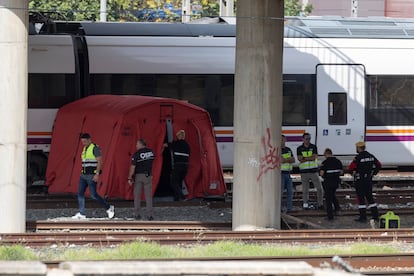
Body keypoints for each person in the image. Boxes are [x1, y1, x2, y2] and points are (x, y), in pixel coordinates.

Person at [72, 133, 115, 219]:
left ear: (89, 140)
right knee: (80, 193)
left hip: (92, 175)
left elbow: (100, 161)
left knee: (93, 195)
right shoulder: (85, 149)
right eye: (82, 142)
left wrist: (97, 174)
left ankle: (109, 208)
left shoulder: (95, 148)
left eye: (84, 141)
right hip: (83, 175)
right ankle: (82, 213)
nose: (83, 143)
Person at [348, 141, 382, 223]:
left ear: (359, 148)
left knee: (361, 199)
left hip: (360, 181)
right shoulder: (371, 156)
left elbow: (351, 168)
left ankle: (363, 217)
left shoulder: (358, 157)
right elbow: (379, 165)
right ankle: (375, 216)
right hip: (368, 180)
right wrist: (373, 173)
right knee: (370, 198)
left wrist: (353, 172)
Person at [128, 139, 155, 220]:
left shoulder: (137, 154)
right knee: (148, 196)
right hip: (148, 176)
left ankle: (137, 214)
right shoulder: (151, 152)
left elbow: (133, 167)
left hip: (139, 176)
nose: (136, 146)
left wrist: (129, 177)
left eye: (137, 144)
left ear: (140, 144)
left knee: (137, 196)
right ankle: (150, 215)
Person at [296, 132, 324, 210]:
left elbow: (314, 157)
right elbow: (299, 159)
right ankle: (305, 204)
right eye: (307, 139)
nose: (308, 140)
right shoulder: (299, 148)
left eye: (309, 138)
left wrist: (304, 158)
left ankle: (320, 203)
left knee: (319, 188)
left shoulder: (313, 147)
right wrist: (309, 157)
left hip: (313, 171)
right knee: (305, 189)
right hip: (304, 172)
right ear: (303, 139)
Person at [164, 129, 190, 201]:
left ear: (178, 136)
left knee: (173, 182)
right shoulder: (187, 145)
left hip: (178, 165)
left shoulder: (176, 143)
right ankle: (177, 198)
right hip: (186, 166)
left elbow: (166, 145)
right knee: (179, 182)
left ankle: (182, 197)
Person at [319, 148, 343, 221]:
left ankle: (330, 216)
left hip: (328, 183)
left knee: (328, 199)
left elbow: (321, 173)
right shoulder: (338, 161)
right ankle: (337, 209)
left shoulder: (325, 162)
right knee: (332, 195)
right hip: (336, 182)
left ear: (326, 154)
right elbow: (341, 172)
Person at [280, 135, 295, 213]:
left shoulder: (288, 149)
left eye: (283, 140)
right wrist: (288, 159)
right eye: (281, 140)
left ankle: (289, 208)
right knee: (280, 192)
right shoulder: (277, 150)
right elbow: (280, 160)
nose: (282, 141)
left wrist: (285, 159)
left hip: (288, 173)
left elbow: (293, 160)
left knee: (290, 192)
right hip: (281, 173)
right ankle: (279, 208)